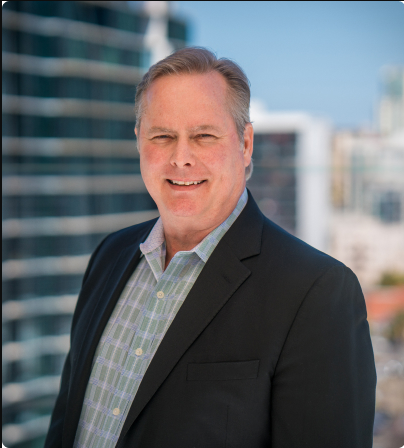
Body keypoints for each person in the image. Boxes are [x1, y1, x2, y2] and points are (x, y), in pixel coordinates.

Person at [45, 47, 376, 448]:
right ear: (138, 142)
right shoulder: (109, 256)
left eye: (204, 136)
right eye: (162, 136)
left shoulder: (317, 292)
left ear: (246, 143)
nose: (181, 158)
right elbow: (66, 422)